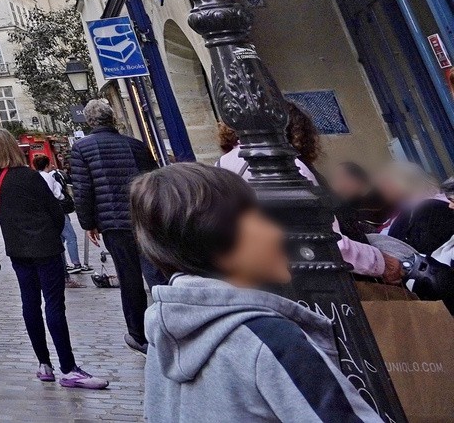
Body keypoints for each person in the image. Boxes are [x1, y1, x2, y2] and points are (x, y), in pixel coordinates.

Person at [136, 162, 381, 421]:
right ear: (220, 238)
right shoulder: (271, 340)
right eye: (260, 219)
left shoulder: (163, 336)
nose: (278, 232)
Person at [0, 129, 108, 390]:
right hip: (45, 248)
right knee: (53, 304)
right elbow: (55, 211)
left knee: (30, 304)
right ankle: (68, 367)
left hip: (17, 249)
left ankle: (44, 364)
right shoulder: (29, 177)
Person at [214, 111, 404, 285]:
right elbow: (327, 240)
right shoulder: (288, 165)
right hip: (311, 279)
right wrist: (381, 263)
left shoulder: (221, 167)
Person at [68, 98, 158, 352]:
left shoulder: (83, 148)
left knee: (128, 278)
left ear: (89, 121)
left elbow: (83, 189)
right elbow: (155, 180)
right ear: (113, 118)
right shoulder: (135, 145)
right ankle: (171, 322)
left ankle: (138, 333)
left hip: (114, 222)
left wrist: (89, 223)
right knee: (156, 272)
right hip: (143, 217)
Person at [34, 155, 82, 272]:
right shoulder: (48, 177)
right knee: (71, 237)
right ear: (46, 165)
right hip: (58, 209)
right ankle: (76, 263)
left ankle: (64, 264)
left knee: (60, 238)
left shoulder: (37, 177)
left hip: (52, 211)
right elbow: (50, 194)